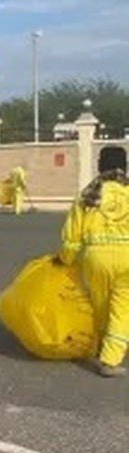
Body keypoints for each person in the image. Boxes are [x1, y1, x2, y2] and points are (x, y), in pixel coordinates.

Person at [58, 147, 129, 378]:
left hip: (96, 259)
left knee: (100, 306)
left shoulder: (88, 194)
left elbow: (72, 236)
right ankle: (110, 360)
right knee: (123, 310)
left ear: (100, 167)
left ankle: (99, 345)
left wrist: (65, 259)